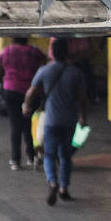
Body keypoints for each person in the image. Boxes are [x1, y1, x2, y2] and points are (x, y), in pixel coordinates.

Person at [26, 37, 89, 206]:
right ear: (67, 52)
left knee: (49, 155)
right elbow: (83, 99)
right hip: (69, 121)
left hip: (51, 120)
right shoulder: (75, 73)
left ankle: (52, 181)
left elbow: (31, 92)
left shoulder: (44, 71)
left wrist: (26, 107)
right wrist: (84, 117)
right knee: (66, 156)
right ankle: (64, 189)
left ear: (52, 52)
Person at [0, 34, 44, 171]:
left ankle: (15, 160)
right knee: (27, 123)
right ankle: (31, 156)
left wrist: (5, 78)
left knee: (15, 125)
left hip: (11, 91)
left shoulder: (6, 51)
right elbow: (42, 68)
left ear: (13, 38)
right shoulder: (35, 52)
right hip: (31, 92)